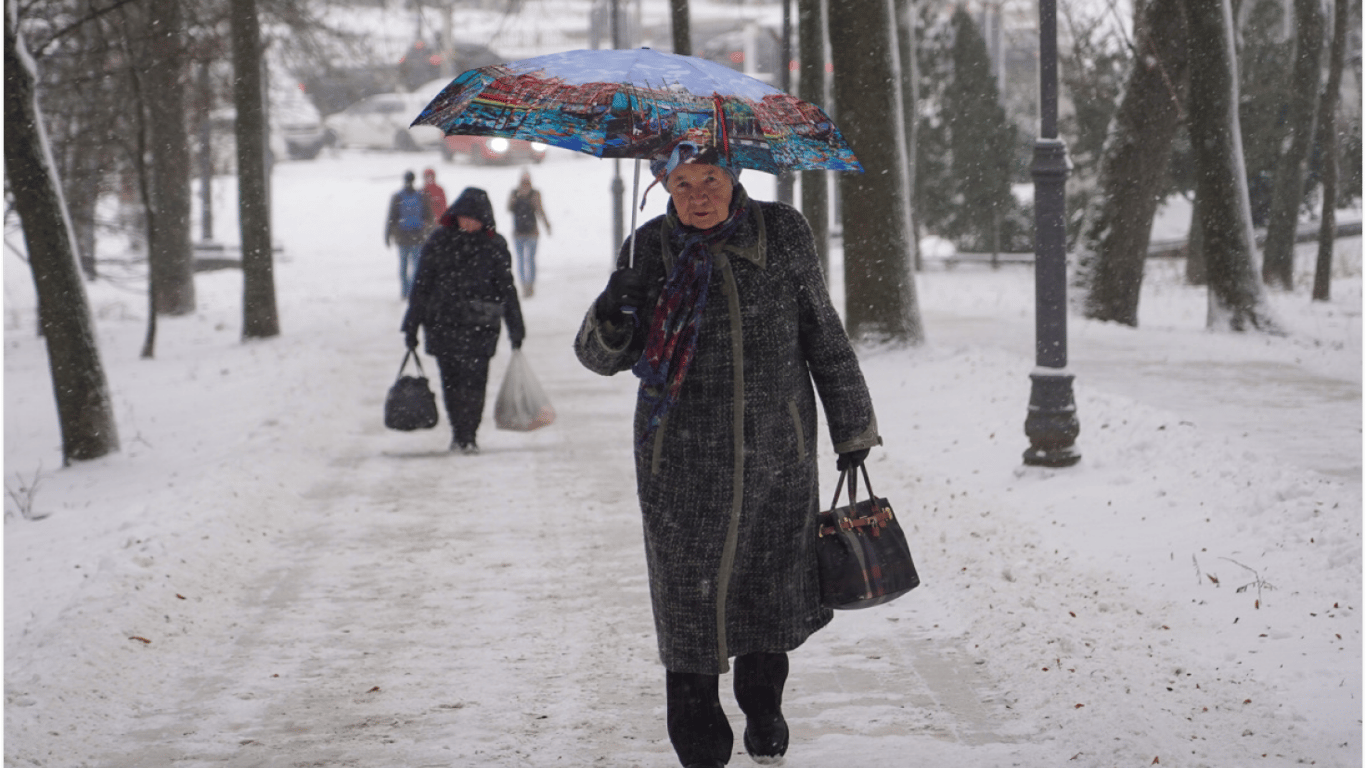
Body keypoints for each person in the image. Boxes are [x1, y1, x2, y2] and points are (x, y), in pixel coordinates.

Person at [573, 140, 880, 768]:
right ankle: (700, 738)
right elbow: (602, 358)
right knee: (689, 604)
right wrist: (613, 308)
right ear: (662, 186)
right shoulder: (647, 249)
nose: (698, 197)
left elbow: (822, 330)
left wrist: (853, 429)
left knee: (769, 594)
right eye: (681, 184)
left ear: (734, 177)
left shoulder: (784, 233)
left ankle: (763, 703)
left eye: (709, 179)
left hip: (777, 453)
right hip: (679, 463)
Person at [402, 187, 525, 455]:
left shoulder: (494, 245)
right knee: (452, 383)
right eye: (465, 218)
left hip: (481, 327)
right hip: (443, 325)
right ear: (455, 215)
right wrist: (411, 324)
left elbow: (507, 288)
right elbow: (421, 285)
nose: (469, 224)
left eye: (475, 219)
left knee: (475, 383)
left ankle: (469, 433)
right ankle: (459, 432)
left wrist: (516, 326)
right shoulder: (438, 241)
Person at [385, 170, 434, 299]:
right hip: (418, 236)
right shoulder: (421, 196)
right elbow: (429, 216)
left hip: (402, 237)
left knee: (403, 266)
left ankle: (405, 292)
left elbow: (391, 217)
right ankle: (413, 291)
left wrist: (388, 235)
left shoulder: (398, 196)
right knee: (416, 267)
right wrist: (429, 233)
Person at [506, 171, 552, 298]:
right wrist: (547, 225)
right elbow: (540, 211)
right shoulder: (533, 194)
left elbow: (508, 208)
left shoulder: (516, 193)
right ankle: (528, 284)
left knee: (523, 260)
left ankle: (525, 284)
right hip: (529, 233)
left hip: (521, 233)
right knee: (529, 260)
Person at [421, 167, 447, 232]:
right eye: (427, 176)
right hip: (426, 224)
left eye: (431, 176)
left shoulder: (439, 190)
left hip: (438, 222)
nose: (429, 179)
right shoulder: (422, 191)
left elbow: (444, 206)